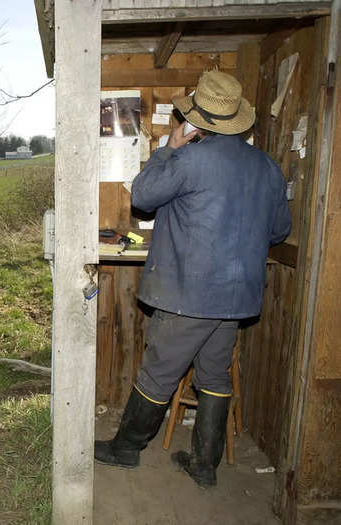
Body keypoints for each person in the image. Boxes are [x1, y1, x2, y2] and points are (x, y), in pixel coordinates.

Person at [94, 70, 291, 487]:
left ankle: (126, 448)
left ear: (196, 119)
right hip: (237, 298)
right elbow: (277, 232)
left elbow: (143, 197)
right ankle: (204, 464)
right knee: (214, 375)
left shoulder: (188, 159)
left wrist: (167, 149)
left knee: (158, 372)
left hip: (190, 294)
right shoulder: (268, 168)